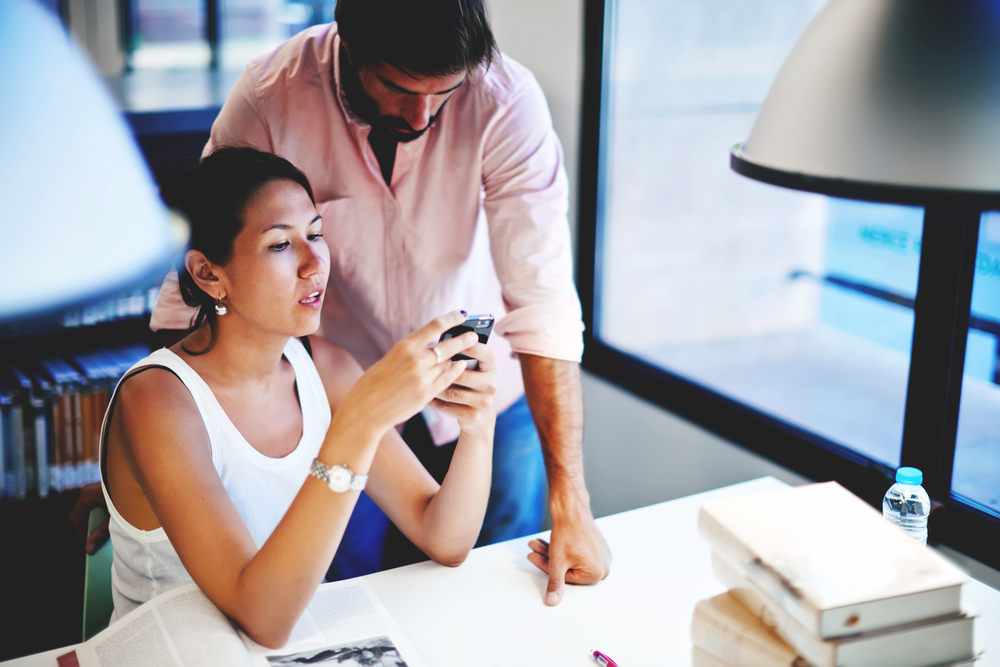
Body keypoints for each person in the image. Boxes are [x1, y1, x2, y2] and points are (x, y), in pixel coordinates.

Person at [81, 0, 611, 605]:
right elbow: (206, 245)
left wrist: (524, 461)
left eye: (318, 232)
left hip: (447, 388)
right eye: (397, 86)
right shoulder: (271, 95)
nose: (422, 115)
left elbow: (542, 297)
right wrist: (145, 451)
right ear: (351, 43)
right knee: (342, 584)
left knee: (489, 593)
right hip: (337, 397)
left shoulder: (505, 101)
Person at [99, 146, 497, 647]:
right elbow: (261, 618)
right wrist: (360, 424)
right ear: (208, 275)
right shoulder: (157, 400)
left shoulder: (324, 367)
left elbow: (446, 539)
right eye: (279, 245)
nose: (315, 264)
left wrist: (477, 428)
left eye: (314, 234)